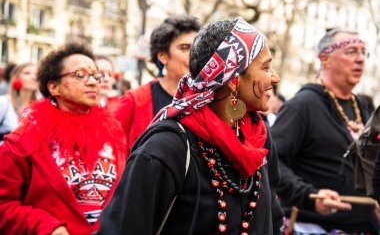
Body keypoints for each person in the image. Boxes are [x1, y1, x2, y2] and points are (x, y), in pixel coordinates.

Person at [96, 17, 283, 234]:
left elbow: (273, 218)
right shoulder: (167, 148)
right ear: (234, 80)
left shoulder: (260, 138)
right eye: (266, 67)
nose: (275, 78)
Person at [0, 43, 127, 234]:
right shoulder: (23, 141)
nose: (93, 82)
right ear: (54, 87)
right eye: (80, 75)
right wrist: (46, 226)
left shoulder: (114, 133)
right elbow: (4, 205)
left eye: (95, 75)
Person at [271, 28, 379, 233]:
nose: (360, 59)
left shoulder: (360, 106)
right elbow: (271, 160)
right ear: (325, 59)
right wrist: (309, 195)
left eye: (363, 52)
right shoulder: (302, 105)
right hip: (311, 227)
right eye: (351, 51)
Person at [115, 14, 201, 152]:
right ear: (163, 56)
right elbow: (112, 147)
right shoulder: (134, 100)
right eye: (184, 48)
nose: (194, 54)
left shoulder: (209, 97)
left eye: (197, 47)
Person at [0, 62, 38, 144]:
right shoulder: (4, 102)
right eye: (27, 73)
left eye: (37, 74)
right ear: (16, 78)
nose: (34, 77)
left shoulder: (39, 108)